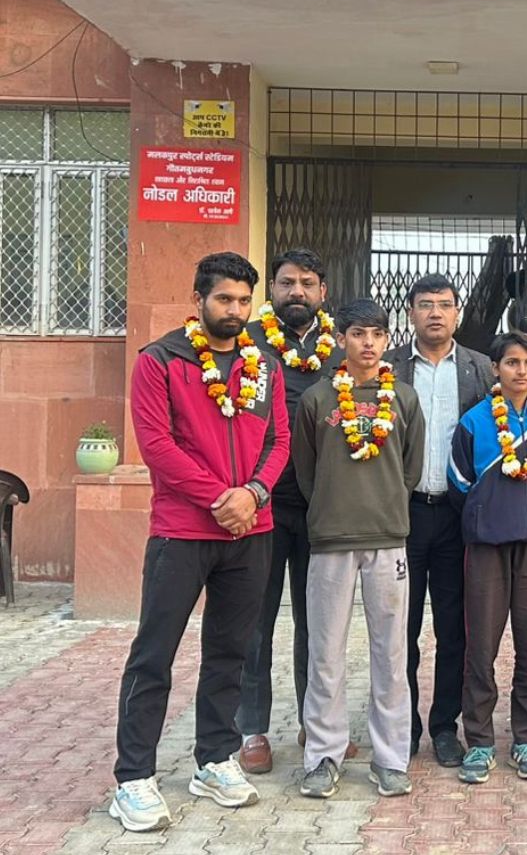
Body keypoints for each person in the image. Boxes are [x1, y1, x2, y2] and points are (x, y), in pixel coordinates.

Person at [110, 252, 289, 832]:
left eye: (244, 300)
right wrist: (221, 497)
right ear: (199, 298)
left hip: (252, 532)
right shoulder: (160, 360)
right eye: (224, 299)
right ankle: (133, 777)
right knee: (155, 653)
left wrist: (254, 494)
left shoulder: (264, 364)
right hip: (182, 531)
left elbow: (279, 441)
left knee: (231, 652)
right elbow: (156, 445)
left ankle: (214, 758)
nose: (235, 310)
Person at [293, 299, 425, 800]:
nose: (367, 343)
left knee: (390, 655)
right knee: (325, 652)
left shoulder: (404, 399)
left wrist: (385, 505)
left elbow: (410, 470)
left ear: (388, 339)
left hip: (388, 538)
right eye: (357, 334)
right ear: (341, 339)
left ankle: (390, 759)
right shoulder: (317, 399)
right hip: (331, 539)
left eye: (376, 334)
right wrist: (332, 506)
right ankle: (323, 756)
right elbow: (306, 472)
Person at [237, 248, 343, 775]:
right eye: (286, 282)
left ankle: (313, 721)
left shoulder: (341, 349)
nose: (296, 291)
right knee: (254, 620)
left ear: (323, 291)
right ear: (271, 290)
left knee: (317, 621)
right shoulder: (247, 344)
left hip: (323, 505)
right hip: (261, 503)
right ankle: (252, 728)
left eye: (306, 282)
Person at [388, 274, 494, 768]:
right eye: (425, 304)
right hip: (402, 513)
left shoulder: (481, 368)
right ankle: (403, 726)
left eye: (445, 304)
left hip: (456, 515)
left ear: (457, 313)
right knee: (400, 628)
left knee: (454, 630)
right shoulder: (389, 368)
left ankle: (444, 727)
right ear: (410, 311)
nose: (435, 312)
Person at [448, 330, 527, 785]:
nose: (521, 371)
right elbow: (459, 482)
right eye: (512, 362)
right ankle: (479, 741)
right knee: (481, 646)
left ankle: (526, 738)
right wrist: (487, 514)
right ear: (494, 368)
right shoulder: (474, 421)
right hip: (487, 547)